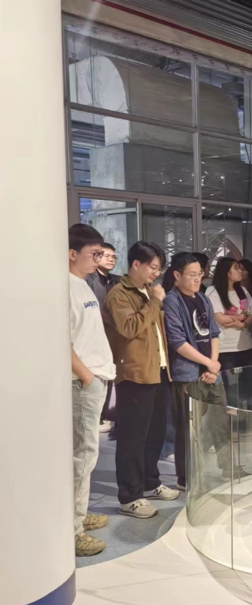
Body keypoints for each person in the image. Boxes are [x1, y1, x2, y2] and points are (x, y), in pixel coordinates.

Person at [105, 241, 180, 520]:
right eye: (153, 267)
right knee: (132, 437)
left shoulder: (148, 291)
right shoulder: (119, 294)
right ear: (136, 264)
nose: (156, 274)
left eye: (159, 269)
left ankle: (150, 483)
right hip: (135, 374)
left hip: (157, 370)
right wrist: (155, 302)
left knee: (155, 432)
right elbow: (130, 328)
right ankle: (130, 496)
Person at [69, 224, 116, 557]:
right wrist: (86, 376)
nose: (99, 259)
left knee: (86, 454)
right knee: (83, 454)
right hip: (83, 381)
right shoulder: (65, 286)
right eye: (94, 254)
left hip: (94, 377)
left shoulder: (83, 284)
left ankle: (78, 514)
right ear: (72, 254)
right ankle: (72, 529)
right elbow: (61, 338)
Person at [162, 252, 221, 491]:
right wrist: (208, 363)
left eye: (200, 274)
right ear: (177, 275)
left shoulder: (203, 298)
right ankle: (186, 478)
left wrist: (213, 365)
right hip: (187, 373)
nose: (197, 279)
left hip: (210, 371)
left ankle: (224, 469)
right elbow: (177, 342)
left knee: (219, 421)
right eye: (192, 275)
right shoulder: (172, 301)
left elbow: (214, 332)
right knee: (187, 428)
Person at [86, 242, 120, 434]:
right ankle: (97, 416)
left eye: (114, 257)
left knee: (111, 373)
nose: (111, 259)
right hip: (95, 333)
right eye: (107, 256)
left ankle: (109, 413)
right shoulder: (88, 280)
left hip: (114, 333)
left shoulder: (117, 280)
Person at [206, 257, 252, 372]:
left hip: (246, 345)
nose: (240, 271)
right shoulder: (212, 291)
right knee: (229, 381)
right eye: (236, 268)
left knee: (250, 380)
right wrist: (242, 316)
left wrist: (243, 324)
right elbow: (220, 318)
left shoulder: (243, 290)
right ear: (226, 272)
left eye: (240, 268)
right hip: (225, 348)